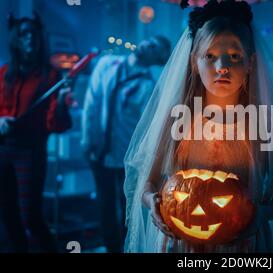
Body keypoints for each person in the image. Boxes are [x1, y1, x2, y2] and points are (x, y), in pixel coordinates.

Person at [123, 0, 273, 253]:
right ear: (193, 62)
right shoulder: (178, 118)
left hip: (242, 244)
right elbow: (149, 182)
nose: (222, 67)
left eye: (234, 57)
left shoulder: (262, 122)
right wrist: (153, 202)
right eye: (210, 56)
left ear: (250, 63)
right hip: (182, 244)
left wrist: (257, 216)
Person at [81, 35, 171, 253]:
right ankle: (110, 246)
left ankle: (125, 248)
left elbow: (145, 127)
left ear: (157, 59)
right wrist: (87, 138)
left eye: (155, 48)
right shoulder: (106, 64)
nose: (148, 45)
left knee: (126, 208)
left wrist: (142, 160)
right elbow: (91, 102)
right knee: (104, 204)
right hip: (99, 150)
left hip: (126, 157)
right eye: (150, 41)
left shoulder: (149, 86)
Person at [0, 13, 72, 252]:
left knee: (31, 216)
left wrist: (61, 102)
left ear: (40, 39)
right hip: (2, 149)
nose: (29, 37)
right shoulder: (4, 73)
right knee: (7, 214)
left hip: (30, 152)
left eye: (33, 33)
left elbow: (57, 125)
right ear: (16, 40)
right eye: (24, 34)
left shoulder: (50, 76)